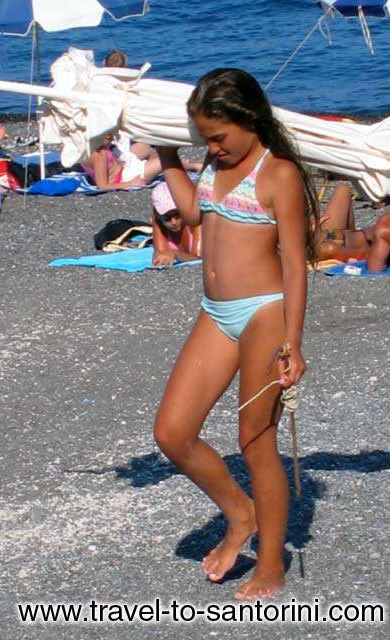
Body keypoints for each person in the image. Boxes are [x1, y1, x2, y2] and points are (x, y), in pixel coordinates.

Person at [153, 68, 318, 599]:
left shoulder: (278, 174)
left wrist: (294, 342)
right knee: (172, 433)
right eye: (205, 139)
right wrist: (171, 157)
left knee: (255, 442)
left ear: (249, 119)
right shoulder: (212, 162)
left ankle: (271, 565)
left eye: (219, 137)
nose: (214, 147)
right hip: (215, 312)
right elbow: (193, 214)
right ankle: (240, 515)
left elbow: (295, 263)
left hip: (265, 312)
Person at [81, 134, 163, 190]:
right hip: (124, 178)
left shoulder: (88, 148)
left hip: (121, 166)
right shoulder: (99, 155)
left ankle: (150, 165)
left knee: (144, 146)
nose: (112, 136)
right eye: (109, 134)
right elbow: (102, 186)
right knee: (163, 161)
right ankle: (152, 168)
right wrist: (130, 183)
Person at [316, 182, 374, 261]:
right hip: (325, 246)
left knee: (343, 189)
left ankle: (352, 239)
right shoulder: (330, 248)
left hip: (321, 236)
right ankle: (355, 244)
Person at [151, 181, 202, 266]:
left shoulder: (197, 222)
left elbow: (200, 260)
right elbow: (159, 254)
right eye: (166, 218)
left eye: (177, 215)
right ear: (158, 215)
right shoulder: (158, 219)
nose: (173, 222)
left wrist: (175, 254)